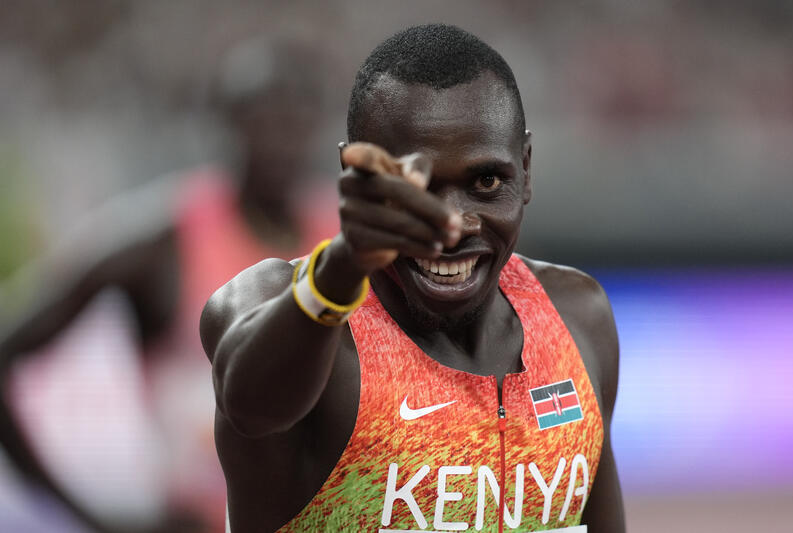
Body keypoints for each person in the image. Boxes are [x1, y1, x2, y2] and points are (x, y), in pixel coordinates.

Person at [201, 24, 625, 533]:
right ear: (357, 176)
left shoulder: (578, 319)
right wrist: (341, 269)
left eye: (486, 182)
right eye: (415, 188)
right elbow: (251, 406)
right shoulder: (280, 307)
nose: (451, 226)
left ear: (526, 170)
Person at [0, 37, 337, 533]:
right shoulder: (163, 244)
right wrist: (79, 514)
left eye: (295, 118)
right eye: (263, 118)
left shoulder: (344, 243)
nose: (280, 139)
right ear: (227, 123)